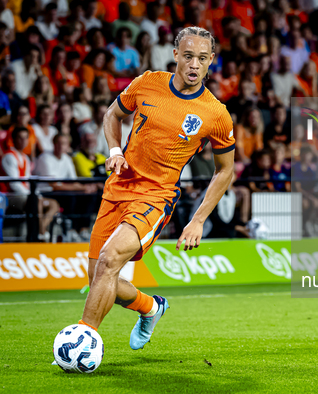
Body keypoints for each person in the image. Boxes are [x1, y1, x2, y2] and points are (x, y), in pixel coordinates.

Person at [77, 28, 235, 354]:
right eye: (188, 56)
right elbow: (112, 114)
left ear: (211, 62)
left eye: (202, 59)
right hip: (117, 187)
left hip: (156, 196)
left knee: (109, 260)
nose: (194, 64)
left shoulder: (215, 113)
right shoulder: (147, 82)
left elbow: (225, 170)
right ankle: (151, 307)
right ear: (176, 55)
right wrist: (114, 149)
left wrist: (198, 220)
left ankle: (83, 341)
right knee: (98, 278)